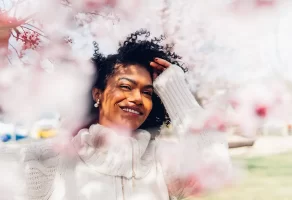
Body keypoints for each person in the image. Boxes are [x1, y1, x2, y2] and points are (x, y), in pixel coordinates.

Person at [22, 30, 231, 200]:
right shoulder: (49, 160)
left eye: (147, 92)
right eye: (125, 86)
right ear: (98, 94)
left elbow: (215, 164)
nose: (137, 98)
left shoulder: (163, 160)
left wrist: (174, 88)